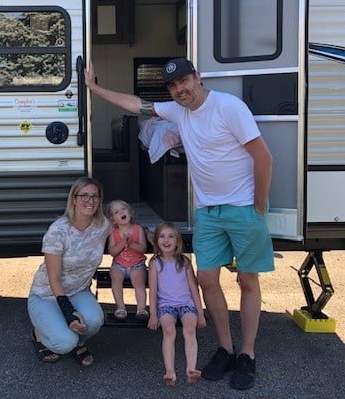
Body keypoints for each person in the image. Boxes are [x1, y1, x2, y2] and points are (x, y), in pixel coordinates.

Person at [85, 58, 274, 390]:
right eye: (172, 86)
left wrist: (258, 205)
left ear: (197, 78)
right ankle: (225, 349)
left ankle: (247, 354)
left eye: (184, 81)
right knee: (207, 279)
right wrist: (95, 88)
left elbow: (263, 156)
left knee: (247, 281)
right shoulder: (177, 110)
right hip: (207, 212)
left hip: (244, 208)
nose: (179, 90)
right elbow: (136, 105)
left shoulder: (229, 107)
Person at [27, 176, 113, 367]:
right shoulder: (58, 231)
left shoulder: (103, 226)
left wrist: (148, 234)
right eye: (84, 196)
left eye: (95, 197)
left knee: (94, 321)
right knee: (64, 342)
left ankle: (79, 343)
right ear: (74, 199)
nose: (90, 201)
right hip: (46, 294)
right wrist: (68, 312)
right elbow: (54, 277)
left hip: (78, 291)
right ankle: (39, 335)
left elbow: (126, 226)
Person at [148, 222, 206, 388]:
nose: (166, 240)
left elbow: (194, 289)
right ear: (157, 241)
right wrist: (153, 314)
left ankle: (191, 369)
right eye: (162, 236)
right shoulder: (155, 263)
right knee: (168, 330)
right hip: (166, 305)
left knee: (189, 327)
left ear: (177, 241)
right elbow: (153, 291)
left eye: (171, 236)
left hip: (186, 303)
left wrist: (200, 313)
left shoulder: (184, 262)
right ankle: (170, 371)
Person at [106, 199, 148, 322]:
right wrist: (123, 243)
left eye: (123, 209)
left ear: (130, 212)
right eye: (116, 212)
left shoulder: (138, 229)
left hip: (137, 264)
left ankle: (141, 309)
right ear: (113, 219)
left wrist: (131, 244)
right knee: (115, 277)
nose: (121, 212)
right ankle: (120, 308)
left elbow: (143, 248)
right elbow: (112, 252)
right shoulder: (114, 233)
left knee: (139, 281)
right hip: (119, 264)